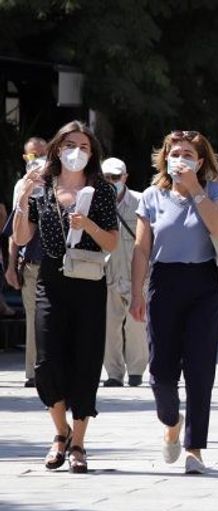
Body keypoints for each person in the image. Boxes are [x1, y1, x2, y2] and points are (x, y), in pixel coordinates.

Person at [12, 121, 119, 473]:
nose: (77, 151)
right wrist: (23, 198)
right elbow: (22, 237)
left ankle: (78, 444)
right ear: (57, 149)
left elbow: (112, 242)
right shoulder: (42, 188)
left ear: (92, 153)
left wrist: (87, 225)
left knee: (86, 360)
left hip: (88, 280)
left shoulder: (101, 190)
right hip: (51, 279)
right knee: (46, 363)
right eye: (71, 144)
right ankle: (61, 431)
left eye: (84, 146)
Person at [130, 130, 218, 474]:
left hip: (204, 282)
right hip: (164, 281)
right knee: (161, 370)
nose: (181, 160)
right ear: (165, 159)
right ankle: (171, 421)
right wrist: (137, 291)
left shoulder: (214, 192)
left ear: (200, 162)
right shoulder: (151, 196)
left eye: (188, 155)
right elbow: (141, 248)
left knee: (200, 369)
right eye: (175, 154)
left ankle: (194, 448)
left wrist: (196, 189)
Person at [101, 157, 148, 388]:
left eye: (116, 177)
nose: (111, 181)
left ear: (125, 177)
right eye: (106, 177)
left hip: (135, 274)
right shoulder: (95, 202)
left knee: (136, 325)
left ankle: (136, 371)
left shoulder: (140, 201)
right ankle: (113, 373)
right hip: (106, 273)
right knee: (109, 327)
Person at [6, 137, 47, 387]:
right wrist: (11, 266)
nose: (39, 160)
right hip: (30, 261)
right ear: (25, 158)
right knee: (33, 317)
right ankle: (33, 373)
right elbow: (16, 227)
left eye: (43, 154)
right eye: (34, 155)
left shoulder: (61, 181)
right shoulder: (21, 185)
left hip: (59, 262)